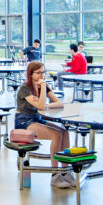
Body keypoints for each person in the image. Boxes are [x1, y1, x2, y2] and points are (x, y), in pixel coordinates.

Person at [14, 61, 74, 189]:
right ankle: (55, 175)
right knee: (56, 135)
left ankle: (65, 171)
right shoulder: (25, 88)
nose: (42, 76)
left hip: (36, 118)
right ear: (30, 74)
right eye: (38, 73)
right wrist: (42, 92)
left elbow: (59, 103)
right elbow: (40, 106)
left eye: (43, 72)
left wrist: (47, 103)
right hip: (24, 121)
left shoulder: (43, 86)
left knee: (65, 132)